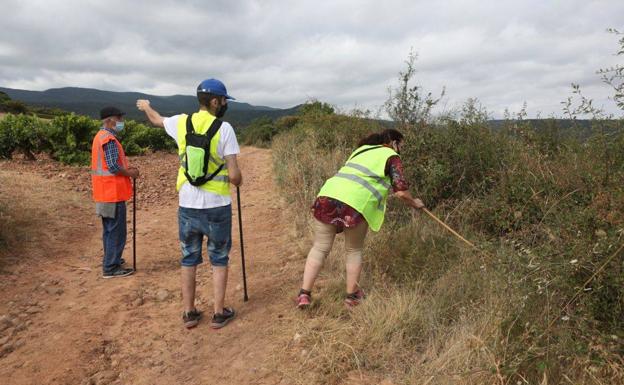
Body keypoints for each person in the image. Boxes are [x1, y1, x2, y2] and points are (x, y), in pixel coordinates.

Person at [136, 78, 242, 329]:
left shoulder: (181, 122)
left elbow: (156, 120)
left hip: (187, 204)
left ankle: (189, 312)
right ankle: (218, 313)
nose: (225, 104)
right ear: (215, 101)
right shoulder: (224, 128)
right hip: (217, 204)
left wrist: (146, 106)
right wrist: (238, 179)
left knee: (189, 257)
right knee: (219, 258)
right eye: (224, 100)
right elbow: (235, 176)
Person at [297, 129, 425, 308]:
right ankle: (352, 297)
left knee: (319, 248)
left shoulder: (361, 150)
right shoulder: (391, 156)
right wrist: (415, 203)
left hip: (327, 196)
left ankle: (304, 295)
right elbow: (401, 192)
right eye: (400, 145)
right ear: (393, 142)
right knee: (353, 250)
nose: (401, 149)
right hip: (356, 204)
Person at [91, 106, 139, 278]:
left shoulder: (100, 137)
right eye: (119, 118)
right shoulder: (108, 139)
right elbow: (113, 166)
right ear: (110, 120)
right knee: (116, 231)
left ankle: (111, 260)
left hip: (104, 192)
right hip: (112, 192)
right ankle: (111, 267)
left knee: (109, 230)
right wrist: (131, 173)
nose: (121, 122)